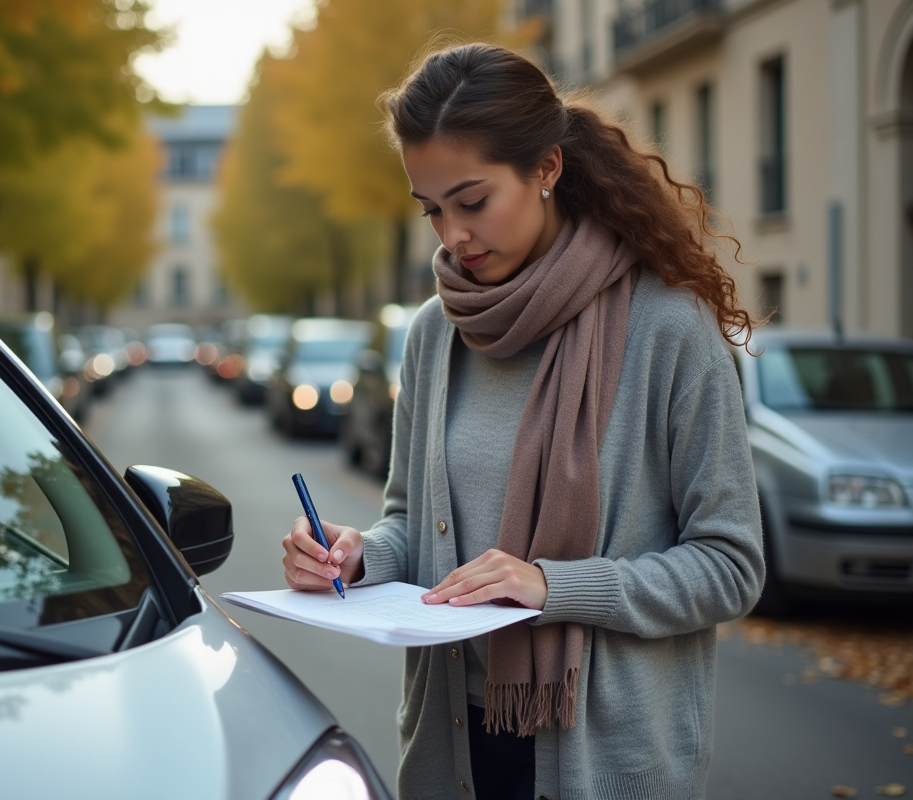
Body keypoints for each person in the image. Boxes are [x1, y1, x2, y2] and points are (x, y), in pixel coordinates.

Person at [280, 42, 765, 800]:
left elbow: (730, 566)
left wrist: (551, 587)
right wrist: (357, 557)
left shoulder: (668, 328)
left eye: (472, 202)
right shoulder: (435, 334)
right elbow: (411, 523)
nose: (452, 235)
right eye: (432, 210)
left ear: (547, 168)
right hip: (456, 749)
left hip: (607, 761)